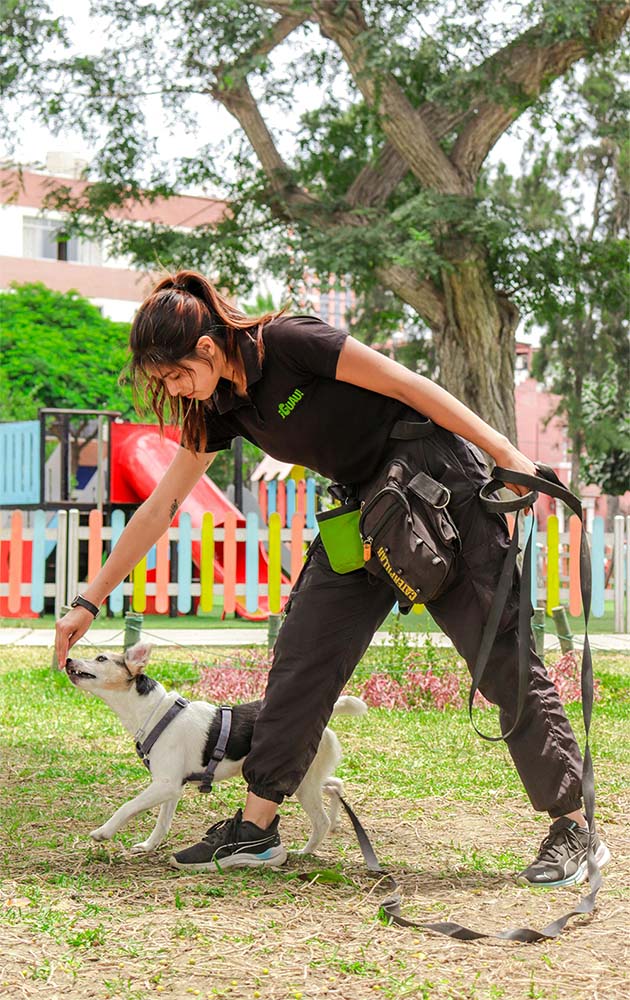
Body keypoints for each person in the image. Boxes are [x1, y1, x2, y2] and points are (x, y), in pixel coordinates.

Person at [55, 270, 609, 887]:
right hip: (363, 512)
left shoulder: (289, 342)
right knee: (303, 656)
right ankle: (256, 828)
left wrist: (504, 452)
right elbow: (160, 507)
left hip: (434, 485)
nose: (175, 390)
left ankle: (573, 828)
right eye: (163, 383)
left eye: (175, 374)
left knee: (499, 656)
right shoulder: (219, 406)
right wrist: (88, 600)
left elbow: (410, 385)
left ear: (207, 348)